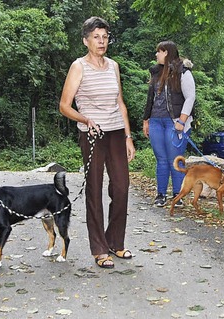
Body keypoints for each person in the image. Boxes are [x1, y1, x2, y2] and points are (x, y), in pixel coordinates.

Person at [59, 17, 136, 269]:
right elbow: (64, 106)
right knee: (94, 190)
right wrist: (85, 119)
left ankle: (115, 241)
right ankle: (99, 248)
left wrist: (128, 136)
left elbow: (120, 103)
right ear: (86, 40)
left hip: (116, 132)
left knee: (122, 189)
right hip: (92, 134)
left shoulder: (113, 65)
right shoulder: (78, 67)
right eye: (96, 37)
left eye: (105, 37)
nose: (101, 41)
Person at [142, 41, 195, 207]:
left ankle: (178, 195)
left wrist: (182, 121)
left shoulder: (183, 72)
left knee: (175, 159)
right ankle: (161, 194)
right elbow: (150, 98)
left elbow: (190, 97)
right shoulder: (156, 73)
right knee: (161, 159)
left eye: (159, 52)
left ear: (166, 52)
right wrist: (146, 120)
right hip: (156, 121)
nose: (156, 55)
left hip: (174, 122)